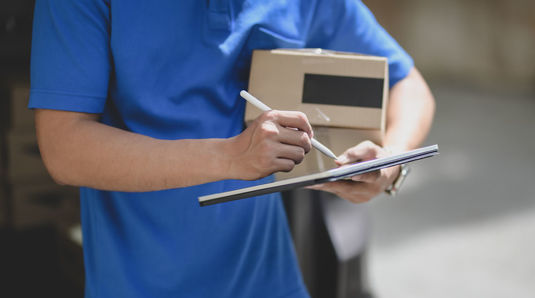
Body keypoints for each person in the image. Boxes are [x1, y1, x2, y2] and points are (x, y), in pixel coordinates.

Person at [29, 0, 435, 297]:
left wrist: (391, 162)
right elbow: (65, 146)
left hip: (273, 283)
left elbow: (408, 85)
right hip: (139, 285)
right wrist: (230, 157)